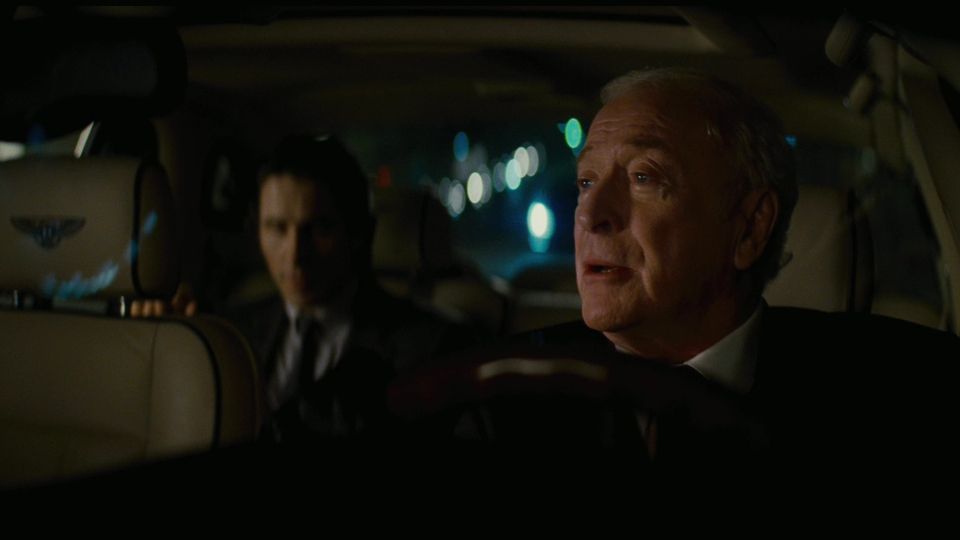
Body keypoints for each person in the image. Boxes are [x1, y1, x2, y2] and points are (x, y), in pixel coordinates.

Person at [454, 69, 960, 474]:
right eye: (586, 182)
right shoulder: (500, 396)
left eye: (643, 176)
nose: (588, 215)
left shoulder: (905, 397)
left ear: (749, 228)